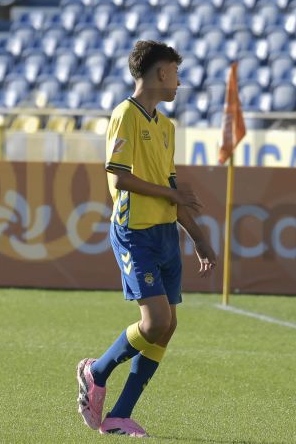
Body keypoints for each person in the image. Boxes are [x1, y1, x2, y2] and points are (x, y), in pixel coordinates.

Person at [76, 40, 217, 436]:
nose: (179, 81)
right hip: (135, 233)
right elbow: (118, 177)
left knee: (167, 326)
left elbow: (169, 185)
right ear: (160, 72)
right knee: (155, 321)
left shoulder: (166, 126)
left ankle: (120, 415)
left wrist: (199, 238)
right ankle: (96, 371)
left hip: (165, 233)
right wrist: (173, 195)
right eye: (175, 72)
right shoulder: (125, 115)